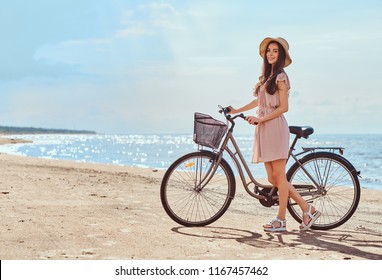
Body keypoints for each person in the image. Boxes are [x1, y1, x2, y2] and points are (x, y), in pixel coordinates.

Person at [229, 37, 321, 232]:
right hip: (264, 129)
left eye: (275, 51)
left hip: (275, 128)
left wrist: (260, 120)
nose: (270, 53)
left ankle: (281, 219)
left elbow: (284, 108)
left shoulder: (281, 77)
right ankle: (307, 208)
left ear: (281, 56)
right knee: (273, 179)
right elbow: (259, 103)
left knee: (279, 175)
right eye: (269, 50)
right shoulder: (266, 78)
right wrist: (237, 110)